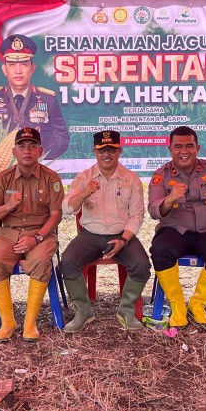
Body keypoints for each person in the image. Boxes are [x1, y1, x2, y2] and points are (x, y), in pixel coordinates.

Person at [62, 130, 151, 332]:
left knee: (142, 265)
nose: (107, 154)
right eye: (102, 150)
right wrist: (85, 192)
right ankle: (83, 310)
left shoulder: (131, 179)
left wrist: (124, 240)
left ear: (120, 151)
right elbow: (67, 209)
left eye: (111, 149)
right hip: (89, 235)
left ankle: (126, 309)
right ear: (95, 151)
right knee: (67, 262)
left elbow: (137, 215)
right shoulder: (83, 178)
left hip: (121, 235)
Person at [147, 126, 206, 327]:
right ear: (170, 149)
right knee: (160, 250)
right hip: (175, 230)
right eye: (178, 146)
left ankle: (197, 304)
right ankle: (177, 306)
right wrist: (169, 199)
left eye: (189, 146)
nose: (184, 151)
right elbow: (153, 211)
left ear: (198, 148)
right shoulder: (161, 175)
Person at [0, 127, 64, 342]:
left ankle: (30, 323)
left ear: (40, 151)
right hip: (9, 234)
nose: (27, 151)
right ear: (14, 152)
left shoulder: (51, 178)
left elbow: (56, 215)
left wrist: (36, 238)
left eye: (32, 146)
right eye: (22, 146)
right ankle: (8, 322)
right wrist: (7, 206)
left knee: (40, 262)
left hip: (41, 234)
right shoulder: (3, 178)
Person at [0, 34, 69, 159]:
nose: (18, 71)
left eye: (24, 64)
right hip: (2, 168)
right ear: (4, 69)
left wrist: (39, 156)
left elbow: (62, 137)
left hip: (38, 167)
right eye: (12, 65)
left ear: (32, 68)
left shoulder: (48, 99)